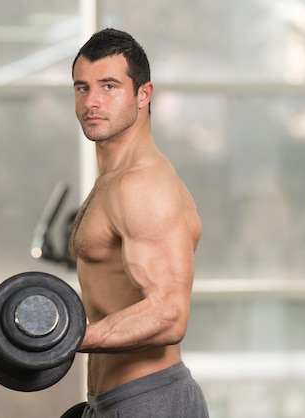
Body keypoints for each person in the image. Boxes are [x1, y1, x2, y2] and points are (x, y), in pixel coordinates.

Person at [62, 28, 209, 418]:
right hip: (112, 402)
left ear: (143, 94)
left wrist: (65, 336)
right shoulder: (113, 180)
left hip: (150, 401)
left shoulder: (143, 184)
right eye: (82, 88)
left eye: (108, 86)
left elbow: (169, 314)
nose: (92, 101)